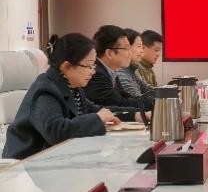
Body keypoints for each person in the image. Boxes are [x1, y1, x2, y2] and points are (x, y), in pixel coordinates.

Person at [2, 34, 133, 160]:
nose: (93, 71)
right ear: (66, 66)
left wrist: (135, 115)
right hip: (26, 164)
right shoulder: (45, 90)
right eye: (88, 66)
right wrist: (98, 118)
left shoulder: (72, 86)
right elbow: (56, 132)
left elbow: (96, 110)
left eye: (93, 66)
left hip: (56, 157)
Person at [85, 25, 140, 108]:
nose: (130, 53)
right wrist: (152, 103)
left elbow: (125, 96)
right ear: (109, 53)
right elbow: (119, 103)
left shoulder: (111, 70)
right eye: (126, 48)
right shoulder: (96, 74)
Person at [116, 28, 154, 109]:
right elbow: (135, 98)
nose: (142, 51)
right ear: (127, 47)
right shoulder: (120, 72)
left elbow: (147, 89)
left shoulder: (132, 69)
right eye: (139, 46)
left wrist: (166, 92)